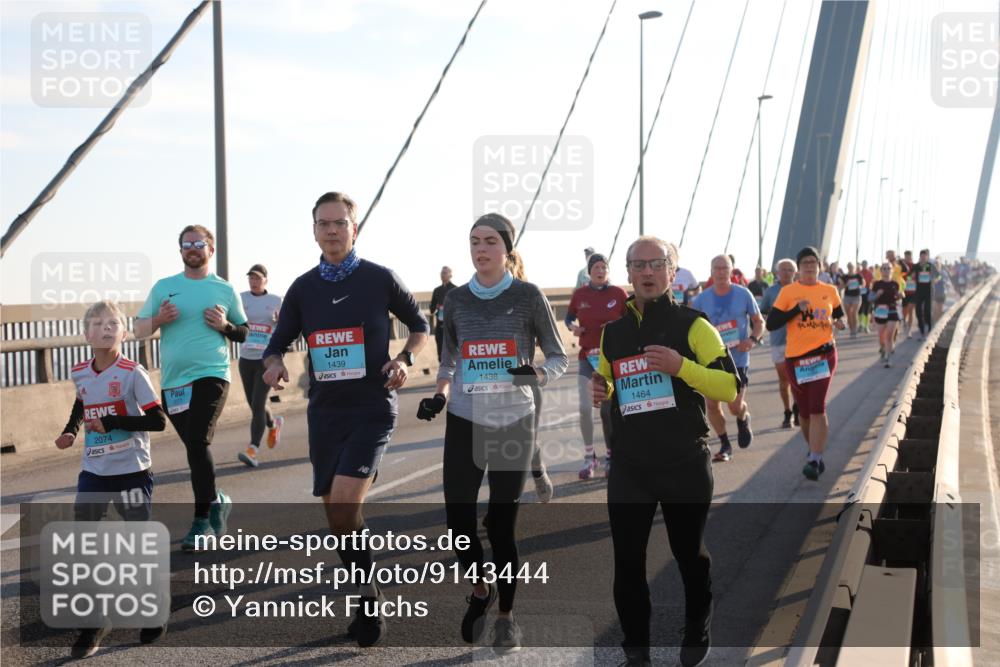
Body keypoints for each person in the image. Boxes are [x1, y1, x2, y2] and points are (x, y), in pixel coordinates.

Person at [261, 191, 429, 647]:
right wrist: (274, 364)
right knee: (336, 513)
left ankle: (370, 604)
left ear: (355, 228)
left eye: (340, 222)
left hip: (372, 409)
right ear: (314, 230)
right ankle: (366, 590)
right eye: (323, 223)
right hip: (326, 413)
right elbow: (276, 344)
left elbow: (420, 325)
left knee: (345, 501)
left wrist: (404, 361)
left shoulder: (379, 279)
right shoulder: (302, 288)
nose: (332, 230)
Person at [416, 213, 567, 654]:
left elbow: (558, 356)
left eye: (489, 242)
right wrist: (440, 395)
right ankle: (481, 590)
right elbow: (448, 360)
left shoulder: (527, 295)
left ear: (506, 249)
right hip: (464, 417)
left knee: (501, 526)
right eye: (474, 241)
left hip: (512, 421)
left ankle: (506, 617)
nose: (480, 249)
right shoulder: (457, 300)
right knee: (458, 524)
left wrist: (536, 372)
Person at [592, 236, 739, 667]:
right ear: (629, 274)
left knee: (688, 554)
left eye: (657, 264)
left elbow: (729, 387)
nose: (648, 273)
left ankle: (697, 625)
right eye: (638, 266)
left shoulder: (695, 326)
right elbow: (608, 381)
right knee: (628, 563)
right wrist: (601, 388)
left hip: (684, 463)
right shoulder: (613, 333)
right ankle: (636, 649)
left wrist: (681, 367)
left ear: (672, 273)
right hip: (631, 466)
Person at [55, 300, 169, 658]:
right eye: (97, 324)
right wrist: (70, 432)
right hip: (94, 473)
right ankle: (94, 625)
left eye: (113, 323)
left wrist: (115, 422)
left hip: (132, 470)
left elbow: (157, 421)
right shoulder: (80, 372)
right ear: (86, 333)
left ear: (123, 331)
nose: (105, 329)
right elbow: (82, 404)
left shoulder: (133, 372)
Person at [135, 225, 249, 550]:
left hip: (212, 374)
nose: (193, 248)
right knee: (194, 449)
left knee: (198, 442)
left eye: (199, 243)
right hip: (174, 381)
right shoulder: (164, 288)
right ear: (181, 251)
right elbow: (139, 330)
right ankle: (217, 500)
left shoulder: (224, 289)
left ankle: (201, 521)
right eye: (187, 244)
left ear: (210, 250)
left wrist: (225, 326)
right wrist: (159, 319)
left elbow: (243, 331)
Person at [766, 246, 846, 480]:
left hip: (824, 354)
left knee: (818, 406)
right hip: (797, 359)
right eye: (805, 263)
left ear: (819, 266)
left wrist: (839, 323)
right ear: (799, 268)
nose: (809, 266)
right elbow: (772, 323)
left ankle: (815, 458)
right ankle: (813, 449)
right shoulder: (789, 291)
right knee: (804, 412)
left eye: (813, 262)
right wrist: (794, 310)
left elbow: (838, 315)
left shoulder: (830, 291)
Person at [691, 255, 763, 463]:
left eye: (725, 268)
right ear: (711, 271)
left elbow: (759, 322)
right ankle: (725, 443)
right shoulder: (701, 300)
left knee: (734, 405)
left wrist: (752, 339)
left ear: (731, 271)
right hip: (710, 361)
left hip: (738, 360)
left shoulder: (743, 294)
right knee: (712, 405)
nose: (721, 272)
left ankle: (743, 416)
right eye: (717, 268)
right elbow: (690, 329)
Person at [565, 252, 628, 479]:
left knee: (606, 411)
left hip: (609, 359)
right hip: (586, 357)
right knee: (584, 408)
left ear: (608, 271)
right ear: (589, 271)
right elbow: (568, 317)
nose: (600, 271)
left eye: (604, 267)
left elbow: (631, 320)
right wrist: (574, 328)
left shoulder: (619, 293)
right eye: (596, 268)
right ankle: (589, 458)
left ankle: (610, 456)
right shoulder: (580, 294)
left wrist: (618, 326)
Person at [237, 264, 284, 468]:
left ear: (265, 280)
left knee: (257, 405)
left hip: (266, 360)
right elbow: (234, 320)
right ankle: (274, 425)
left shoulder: (275, 300)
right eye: (251, 278)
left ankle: (253, 449)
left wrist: (278, 322)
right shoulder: (241, 298)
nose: (254, 281)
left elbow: (284, 326)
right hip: (245, 358)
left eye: (257, 278)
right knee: (254, 403)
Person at [760, 259, 798, 428]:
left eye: (790, 270)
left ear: (795, 272)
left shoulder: (801, 290)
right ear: (777, 272)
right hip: (778, 340)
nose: (786, 273)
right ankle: (787, 411)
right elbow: (763, 312)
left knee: (798, 379)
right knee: (784, 380)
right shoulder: (771, 292)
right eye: (783, 270)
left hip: (799, 341)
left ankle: (798, 410)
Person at [870, 262, 903, 367]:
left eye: (888, 268)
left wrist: (900, 296)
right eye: (884, 268)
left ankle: (888, 358)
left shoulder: (895, 284)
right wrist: (877, 295)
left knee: (889, 336)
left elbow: (897, 298)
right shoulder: (877, 284)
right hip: (880, 311)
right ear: (881, 271)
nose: (886, 270)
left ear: (892, 270)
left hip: (892, 311)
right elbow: (870, 298)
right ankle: (883, 348)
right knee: (881, 336)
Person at [430, 266, 456, 361]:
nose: (442, 275)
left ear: (450, 275)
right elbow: (431, 309)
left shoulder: (455, 290)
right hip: (440, 324)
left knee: (453, 349)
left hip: (452, 325)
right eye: (441, 273)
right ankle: (442, 371)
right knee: (440, 348)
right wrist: (437, 307)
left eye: (445, 273)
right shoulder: (437, 290)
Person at [912, 249, 935, 338]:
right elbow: (909, 276)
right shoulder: (916, 266)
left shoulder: (931, 266)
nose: (923, 258)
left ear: (927, 257)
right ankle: (922, 331)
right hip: (918, 291)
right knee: (918, 312)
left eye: (925, 256)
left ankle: (929, 327)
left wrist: (934, 279)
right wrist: (911, 277)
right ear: (919, 257)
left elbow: (939, 276)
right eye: (921, 256)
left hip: (929, 291)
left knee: (927, 311)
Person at [839, 262, 864, 337]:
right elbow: (841, 287)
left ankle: (855, 329)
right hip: (847, 296)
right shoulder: (844, 277)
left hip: (856, 296)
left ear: (854, 267)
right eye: (849, 267)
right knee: (849, 315)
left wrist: (860, 286)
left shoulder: (858, 276)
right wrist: (846, 284)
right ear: (847, 268)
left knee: (854, 313)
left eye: (852, 267)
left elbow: (863, 283)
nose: (850, 268)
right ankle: (851, 330)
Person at [900, 250, 917, 337]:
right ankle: (904, 322)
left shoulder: (915, 266)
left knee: (910, 310)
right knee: (904, 311)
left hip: (913, 292)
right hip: (904, 291)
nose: (908, 258)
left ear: (911, 257)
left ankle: (909, 330)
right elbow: (901, 277)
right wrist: (909, 277)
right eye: (906, 257)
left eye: (909, 257)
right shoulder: (902, 266)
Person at [858, 260, 874, 333]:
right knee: (860, 309)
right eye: (863, 264)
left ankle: (866, 326)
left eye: (865, 264)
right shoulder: (859, 273)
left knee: (867, 310)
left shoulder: (870, 273)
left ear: (867, 265)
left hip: (868, 292)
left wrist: (870, 286)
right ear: (861, 265)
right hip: (860, 293)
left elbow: (872, 282)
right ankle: (861, 324)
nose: (864, 265)